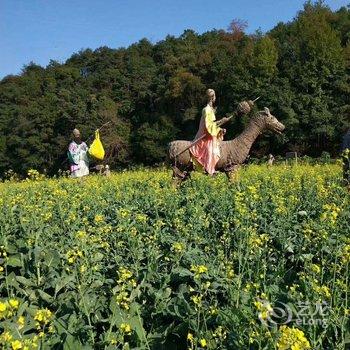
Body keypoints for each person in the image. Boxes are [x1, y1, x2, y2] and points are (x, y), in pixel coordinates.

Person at [190, 89, 227, 175]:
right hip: (205, 136)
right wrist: (221, 122)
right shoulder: (207, 110)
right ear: (213, 98)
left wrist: (220, 128)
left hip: (210, 134)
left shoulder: (210, 109)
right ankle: (209, 170)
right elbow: (208, 127)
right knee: (212, 151)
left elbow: (212, 124)